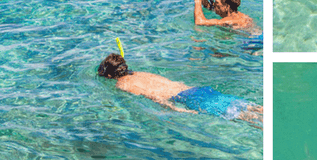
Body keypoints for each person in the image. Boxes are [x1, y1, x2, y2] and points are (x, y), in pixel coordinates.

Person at [98, 53, 263, 125]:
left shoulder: (123, 84)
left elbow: (153, 97)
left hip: (188, 99)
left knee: (244, 117)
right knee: (247, 106)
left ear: (111, 75)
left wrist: (176, 110)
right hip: (196, 89)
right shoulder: (139, 73)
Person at [191, 0, 260, 35]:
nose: (214, 4)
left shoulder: (229, 21)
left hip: (255, 42)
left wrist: (197, 0)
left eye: (217, 3)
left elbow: (199, 22)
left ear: (227, 6)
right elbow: (210, 7)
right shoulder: (234, 13)